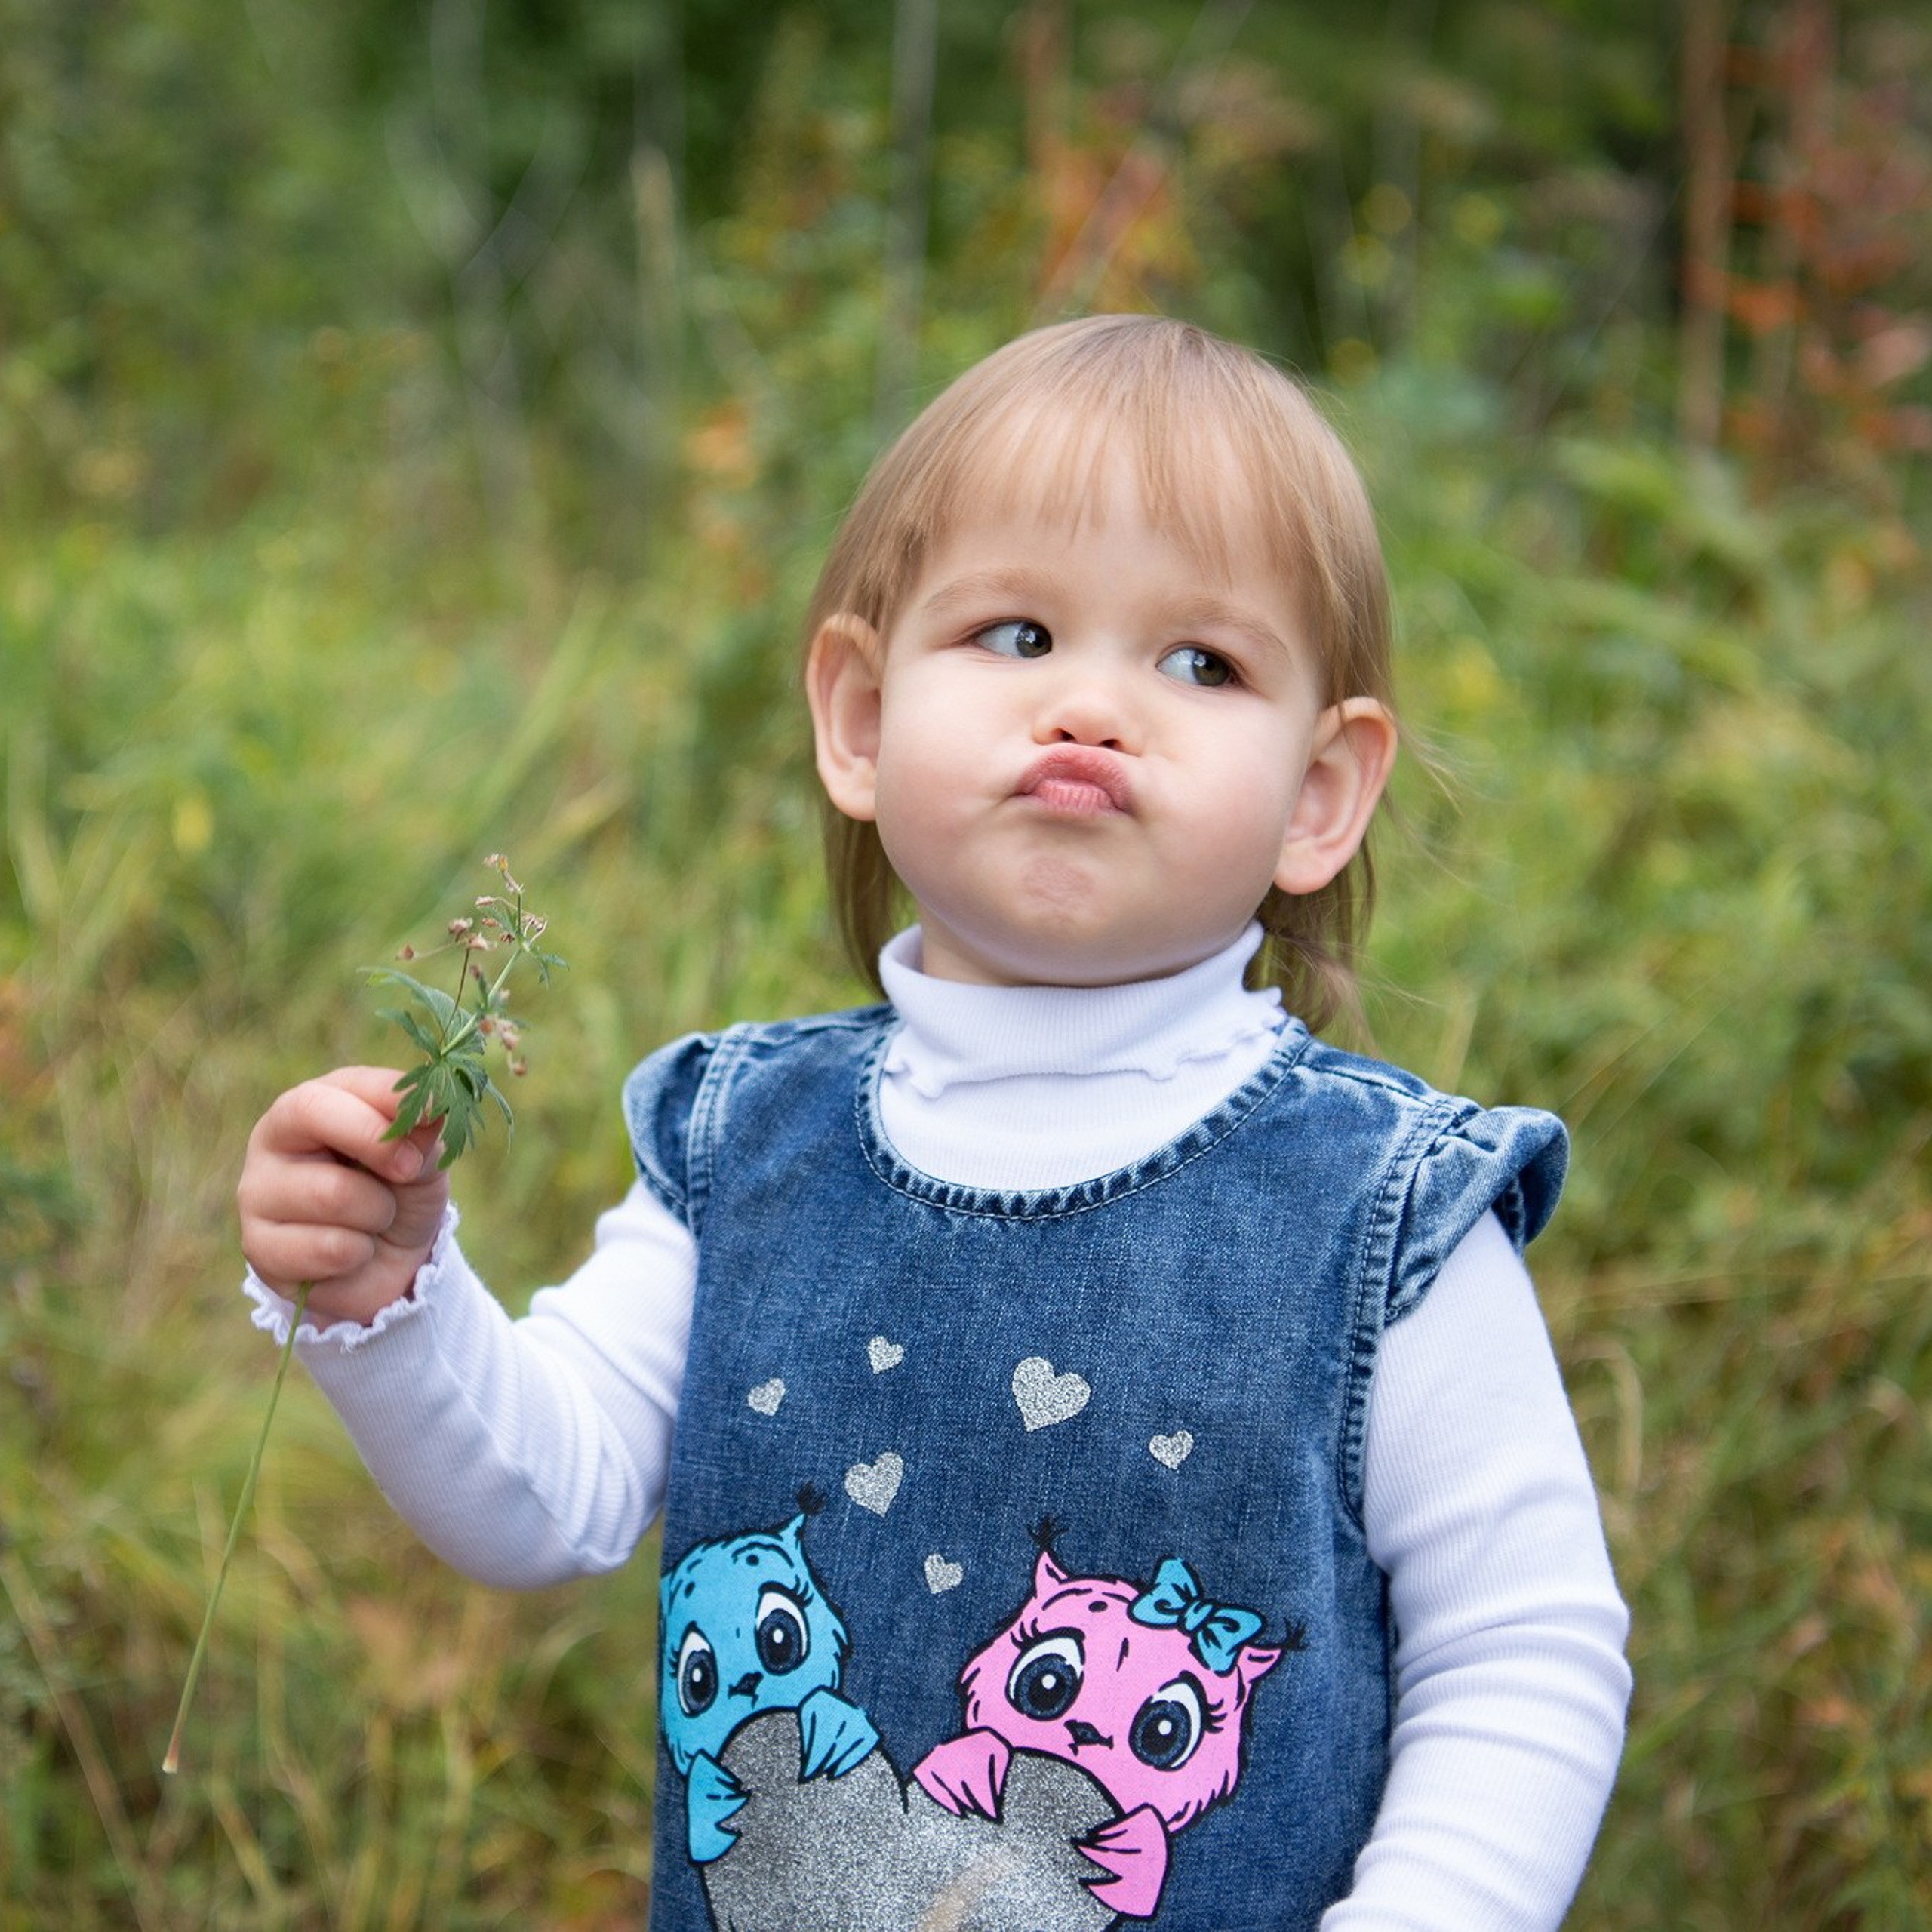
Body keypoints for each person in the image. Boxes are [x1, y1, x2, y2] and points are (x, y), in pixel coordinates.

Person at [238, 315, 1630, 1930]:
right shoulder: (744, 1149)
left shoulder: (1375, 1217)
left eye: (1201, 662)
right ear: (854, 712)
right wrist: (388, 1299)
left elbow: (1522, 1645)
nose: (1092, 707)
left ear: (1320, 793)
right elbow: (543, 1501)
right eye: (1018, 630)